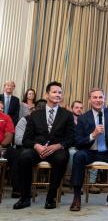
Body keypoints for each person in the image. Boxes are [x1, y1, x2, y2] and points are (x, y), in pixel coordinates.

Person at [13, 81, 75, 210]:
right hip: (38, 148)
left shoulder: (67, 115)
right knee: (24, 157)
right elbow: (26, 139)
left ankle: (51, 198)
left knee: (62, 158)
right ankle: (24, 197)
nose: (58, 95)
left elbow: (71, 139)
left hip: (56, 149)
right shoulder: (35, 115)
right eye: (54, 92)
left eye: (59, 92)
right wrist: (36, 146)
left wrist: (58, 146)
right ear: (47, 95)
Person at [70, 88, 108, 211]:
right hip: (90, 152)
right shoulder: (83, 118)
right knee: (78, 156)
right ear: (89, 100)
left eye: (100, 97)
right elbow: (77, 142)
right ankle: (77, 197)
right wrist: (92, 135)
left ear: (104, 99)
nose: (98, 100)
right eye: (95, 97)